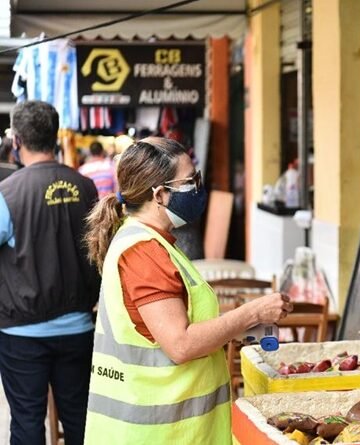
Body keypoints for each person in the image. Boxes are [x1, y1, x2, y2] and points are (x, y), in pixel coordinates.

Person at [82, 137, 293, 444]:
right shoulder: (144, 252)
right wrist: (252, 313)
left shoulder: (154, 242)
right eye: (190, 180)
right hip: (158, 434)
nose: (198, 187)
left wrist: (247, 328)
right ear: (160, 195)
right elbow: (180, 344)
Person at [0, 100, 100, 445]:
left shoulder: (6, 194)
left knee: (27, 421)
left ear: (17, 141)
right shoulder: (85, 188)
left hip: (21, 331)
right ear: (54, 136)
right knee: (80, 420)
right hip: (78, 328)